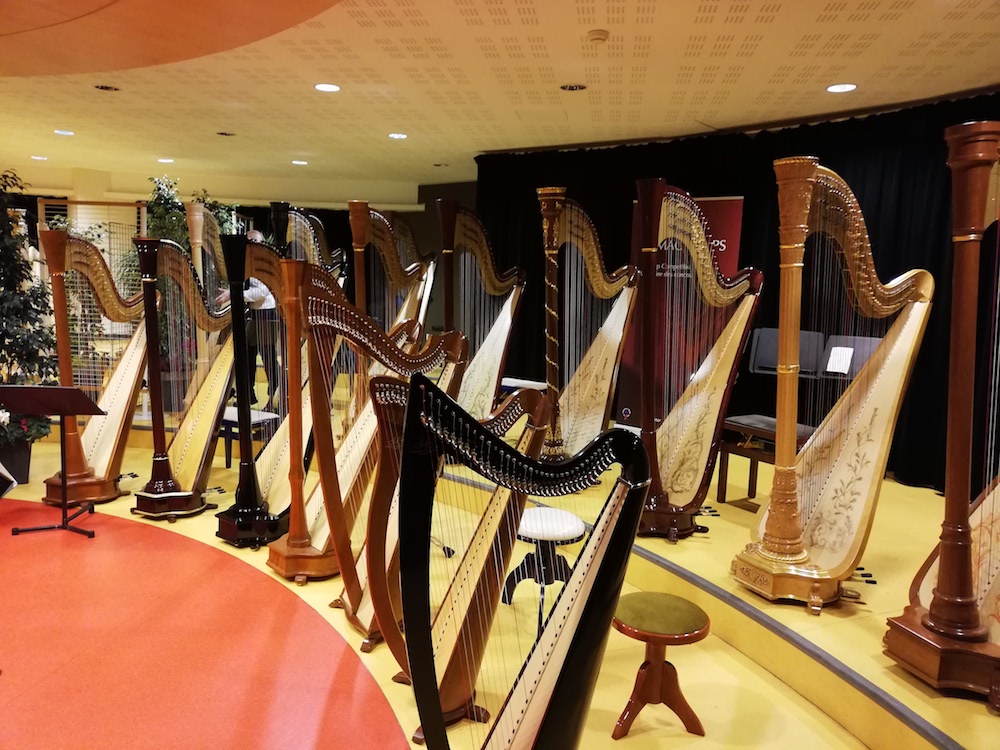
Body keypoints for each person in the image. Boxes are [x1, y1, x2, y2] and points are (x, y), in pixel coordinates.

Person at [215, 230, 282, 411]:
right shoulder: (248, 261)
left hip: (266, 314)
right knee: (248, 356)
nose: (250, 245)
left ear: (261, 243)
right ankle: (248, 395)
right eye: (248, 242)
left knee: (267, 357)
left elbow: (262, 292)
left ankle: (277, 395)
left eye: (253, 241)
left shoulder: (262, 263)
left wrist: (233, 293)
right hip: (255, 313)